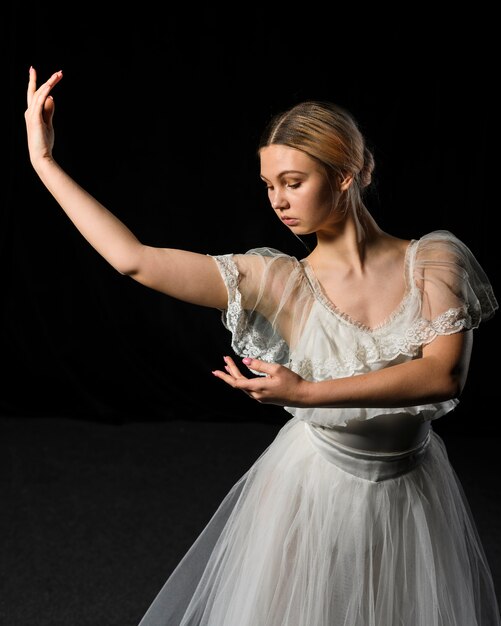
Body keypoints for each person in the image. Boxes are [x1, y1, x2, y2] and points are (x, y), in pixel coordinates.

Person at [25, 67, 500, 626]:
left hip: (410, 487)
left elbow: (444, 376)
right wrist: (45, 164)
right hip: (314, 487)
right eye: (268, 185)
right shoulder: (280, 282)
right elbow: (136, 259)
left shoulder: (436, 261)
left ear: (345, 175)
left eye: (292, 182)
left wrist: (306, 391)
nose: (277, 200)